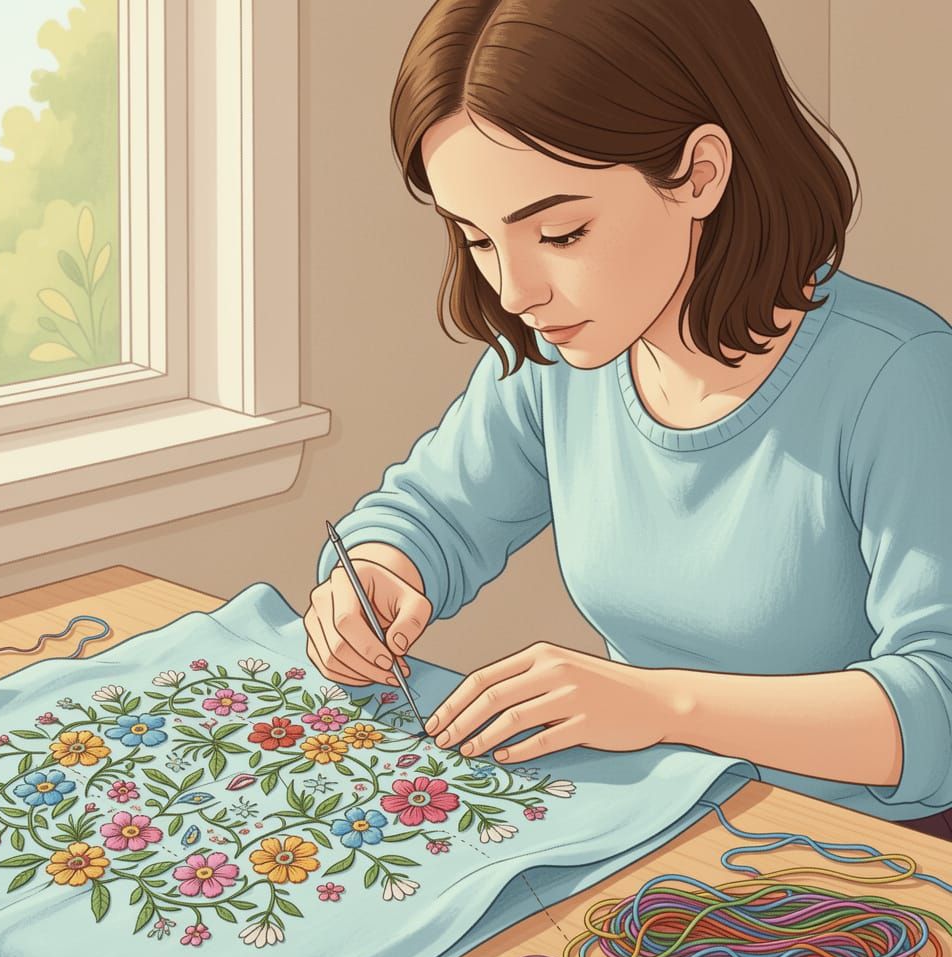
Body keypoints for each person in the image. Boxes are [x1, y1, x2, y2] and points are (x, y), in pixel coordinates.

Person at [305, 0, 952, 839]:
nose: (515, 292)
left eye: (562, 233)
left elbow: (939, 704)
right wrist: (382, 573)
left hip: (866, 868)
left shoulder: (899, 376)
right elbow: (430, 514)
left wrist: (658, 703)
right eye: (478, 240)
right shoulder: (558, 359)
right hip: (653, 825)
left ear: (699, 174)